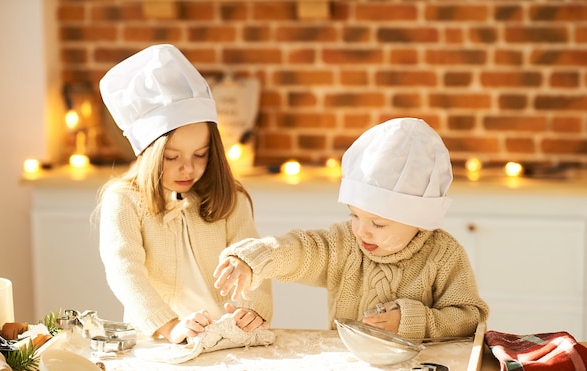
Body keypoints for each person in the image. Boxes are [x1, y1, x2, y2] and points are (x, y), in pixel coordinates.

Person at [214, 118, 489, 340]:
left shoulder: (443, 255)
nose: (362, 232)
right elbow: (301, 249)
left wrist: (410, 320)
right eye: (354, 215)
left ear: (419, 221)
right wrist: (254, 258)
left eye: (378, 224)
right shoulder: (345, 243)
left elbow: (468, 317)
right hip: (350, 366)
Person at [96, 44, 272, 344]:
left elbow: (251, 257)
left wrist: (254, 309)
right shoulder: (123, 201)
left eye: (200, 154)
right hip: (158, 340)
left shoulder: (230, 198)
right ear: (148, 153)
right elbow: (125, 272)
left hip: (226, 336)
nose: (187, 169)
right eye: (172, 157)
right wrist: (169, 326)